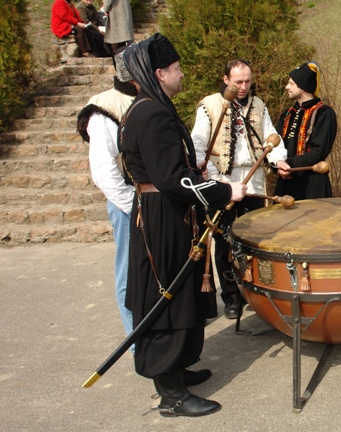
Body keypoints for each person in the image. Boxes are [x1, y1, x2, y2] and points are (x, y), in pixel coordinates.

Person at [119, 33, 247, 417]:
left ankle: (178, 370)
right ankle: (171, 395)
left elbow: (172, 170)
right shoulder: (152, 112)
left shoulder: (146, 107)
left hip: (165, 210)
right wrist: (224, 192)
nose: (181, 74)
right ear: (159, 73)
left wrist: (196, 172)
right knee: (167, 297)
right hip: (163, 216)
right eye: (175, 69)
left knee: (180, 293)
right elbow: (172, 179)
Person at [191, 59, 287, 320]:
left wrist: (279, 159)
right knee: (224, 241)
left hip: (253, 178)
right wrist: (211, 178)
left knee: (253, 238)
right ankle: (231, 297)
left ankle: (254, 293)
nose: (244, 87)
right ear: (226, 80)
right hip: (221, 177)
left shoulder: (258, 104)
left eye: (247, 81)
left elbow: (271, 136)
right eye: (238, 82)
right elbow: (198, 144)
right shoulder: (209, 105)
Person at [76, 48, 137, 347]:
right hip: (129, 205)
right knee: (129, 277)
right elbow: (103, 170)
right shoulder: (104, 107)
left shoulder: (145, 98)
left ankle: (159, 344)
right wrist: (133, 205)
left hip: (153, 204)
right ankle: (140, 346)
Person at [274, 61, 337, 201]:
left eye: (291, 83)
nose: (286, 87)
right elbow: (275, 144)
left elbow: (319, 151)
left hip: (312, 185)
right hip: (285, 184)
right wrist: (278, 165)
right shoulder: (287, 114)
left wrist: (291, 165)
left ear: (302, 86)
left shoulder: (324, 113)